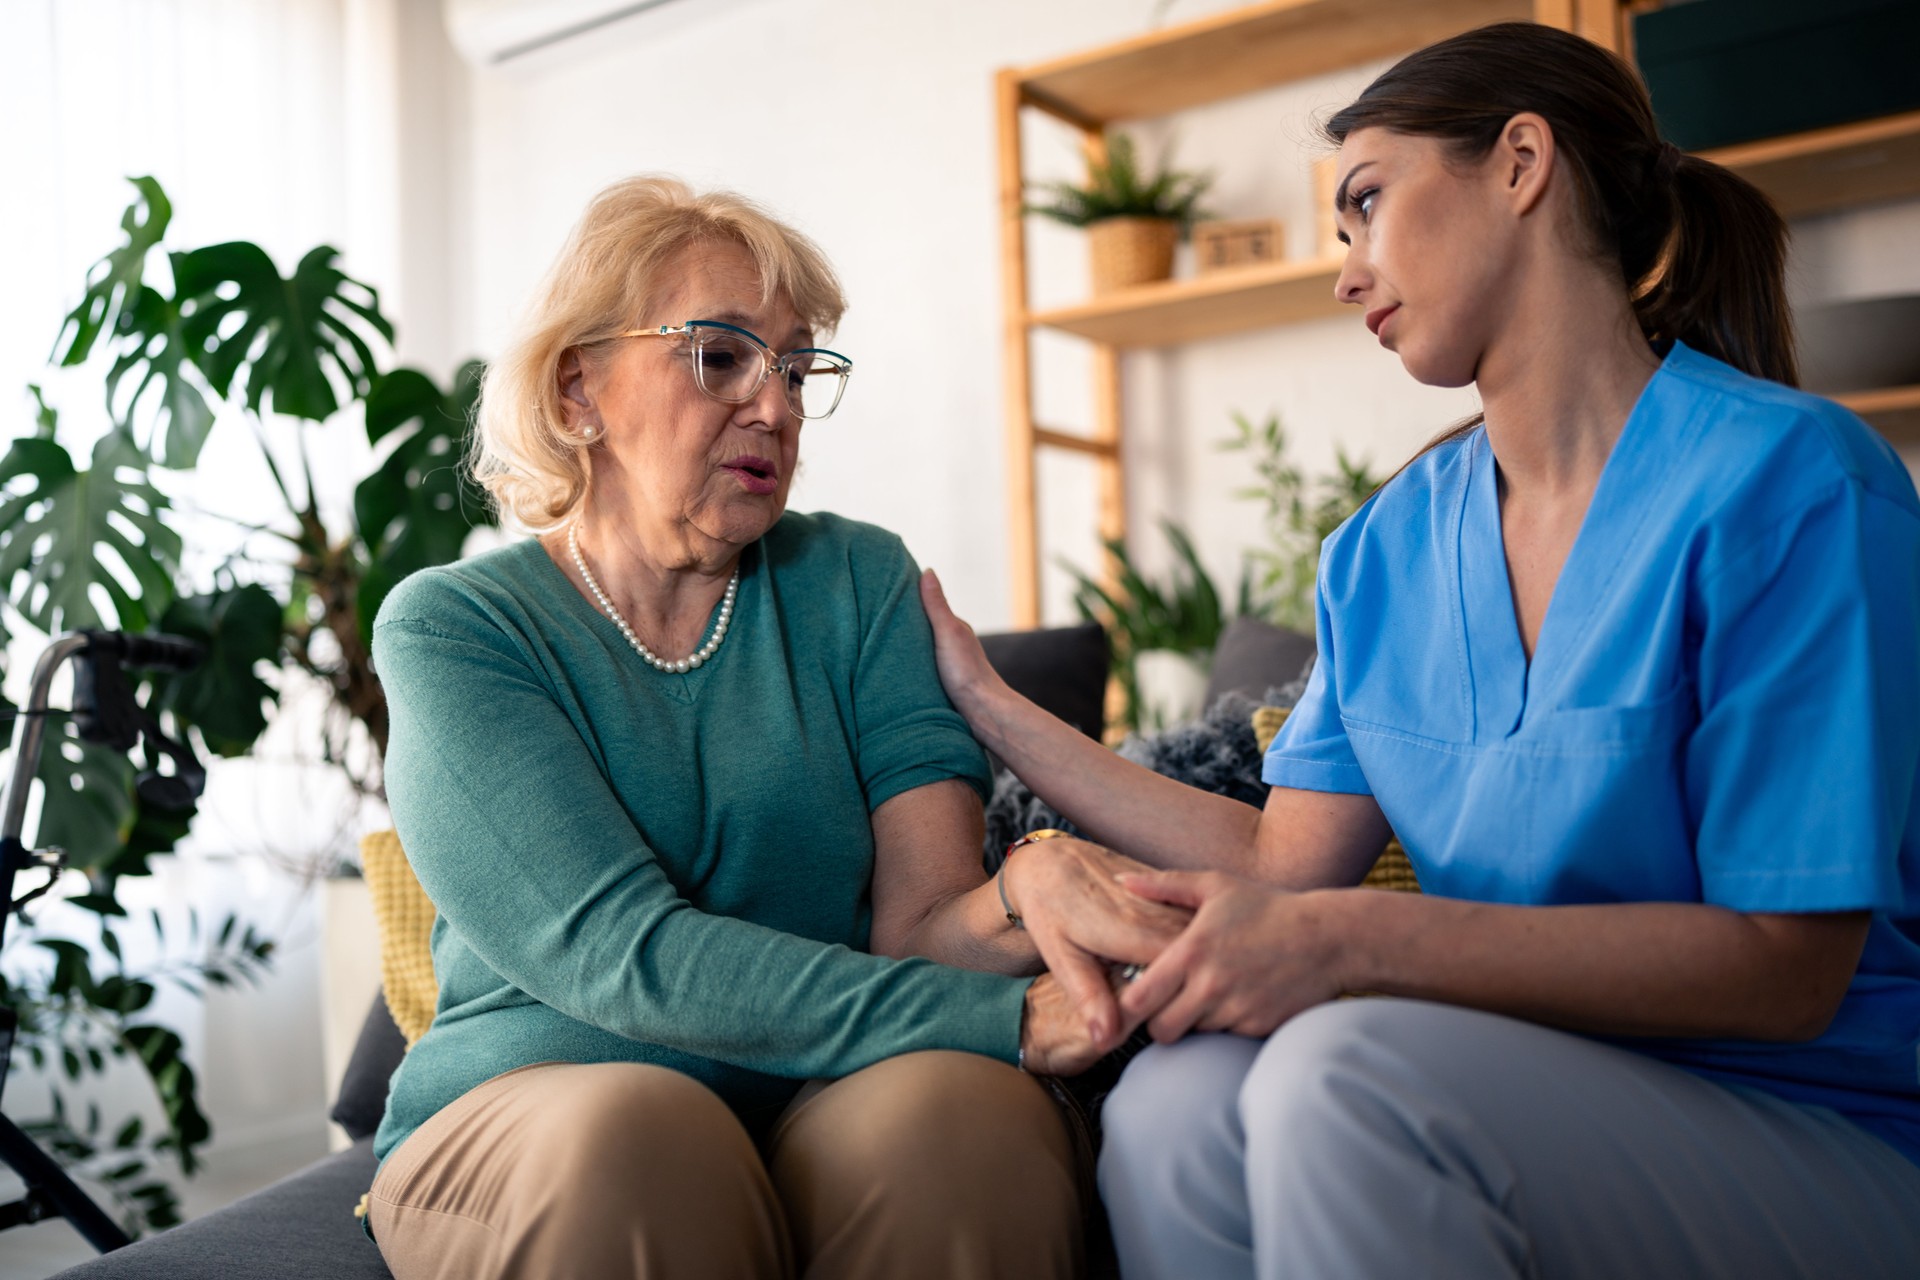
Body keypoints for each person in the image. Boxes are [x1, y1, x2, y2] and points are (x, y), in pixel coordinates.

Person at [919, 22, 1920, 1278]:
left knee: (1346, 1075)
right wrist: (992, 704)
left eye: (1366, 205)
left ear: (1519, 162)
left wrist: (1356, 943)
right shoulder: (1385, 547)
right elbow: (1288, 864)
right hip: (1525, 1071)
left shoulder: (1796, 483)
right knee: (1176, 1102)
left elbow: (1787, 973)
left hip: (1820, 1125)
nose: (1346, 274)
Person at [364, 176, 1167, 1280]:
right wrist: (1010, 1019)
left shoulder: (860, 581)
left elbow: (921, 927)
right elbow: (621, 956)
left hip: (824, 1090)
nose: (776, 406)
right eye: (721, 356)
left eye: (795, 367)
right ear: (576, 389)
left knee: (964, 1121)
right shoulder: (454, 628)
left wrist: (1028, 883)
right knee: (642, 1138)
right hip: (530, 1107)